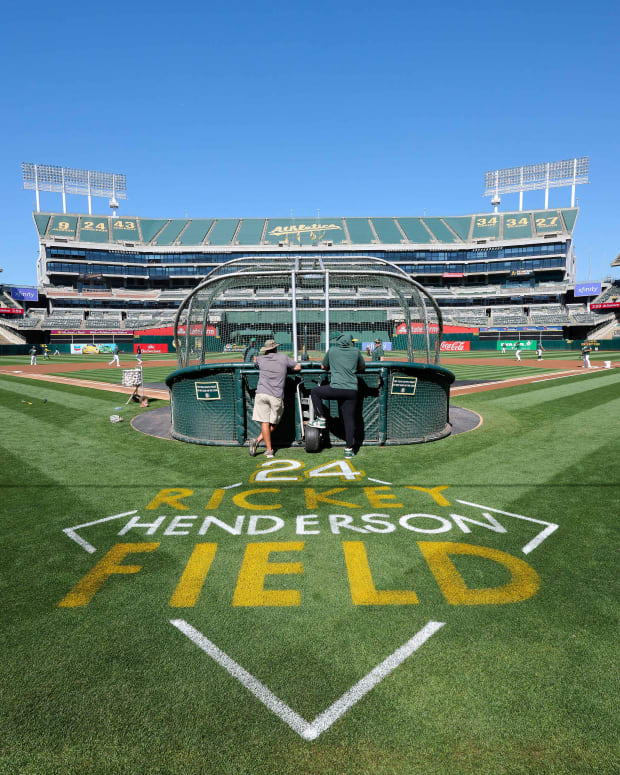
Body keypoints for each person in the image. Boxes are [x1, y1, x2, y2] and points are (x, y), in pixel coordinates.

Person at [309, 332, 366, 459]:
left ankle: (321, 418)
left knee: (315, 391)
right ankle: (348, 449)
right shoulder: (356, 351)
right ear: (350, 342)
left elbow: (323, 366)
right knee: (349, 420)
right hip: (351, 390)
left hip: (335, 388)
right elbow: (362, 366)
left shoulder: (332, 350)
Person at [248, 339, 301, 458]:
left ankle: (260, 443)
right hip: (276, 396)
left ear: (266, 350)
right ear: (276, 348)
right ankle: (267, 448)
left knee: (264, 422)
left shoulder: (260, 359)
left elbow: (255, 361)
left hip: (261, 393)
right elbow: (298, 367)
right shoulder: (283, 358)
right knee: (274, 423)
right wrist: (286, 369)